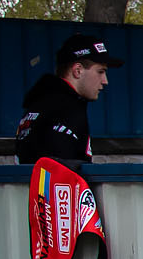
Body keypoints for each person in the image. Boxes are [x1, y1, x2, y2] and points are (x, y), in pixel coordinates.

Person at [15, 34, 117, 166]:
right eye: (100, 72)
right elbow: (64, 169)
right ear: (78, 70)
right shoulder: (67, 110)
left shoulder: (38, 102)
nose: (105, 81)